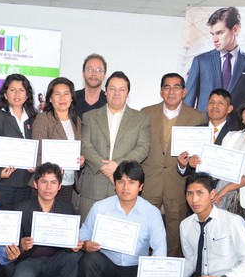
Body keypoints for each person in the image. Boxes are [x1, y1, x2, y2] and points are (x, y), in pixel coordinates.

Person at [78, 161, 167, 277]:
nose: (125, 187)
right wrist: (84, 245)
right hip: (108, 265)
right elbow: (83, 234)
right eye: (121, 182)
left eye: (132, 182)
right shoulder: (100, 207)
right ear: (115, 185)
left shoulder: (152, 213)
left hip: (135, 268)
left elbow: (160, 251)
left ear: (141, 187)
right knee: (89, 260)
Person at [140, 73, 206, 256]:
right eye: (166, 87)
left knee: (175, 234)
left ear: (184, 92)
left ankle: (170, 271)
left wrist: (187, 164)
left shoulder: (198, 117)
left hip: (177, 183)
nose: (171, 92)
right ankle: (140, 268)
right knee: (144, 230)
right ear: (161, 91)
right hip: (150, 182)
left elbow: (199, 155)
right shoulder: (145, 113)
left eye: (176, 87)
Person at [6, 163, 83, 277]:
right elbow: (11, 244)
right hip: (30, 261)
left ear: (59, 186)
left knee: (76, 255)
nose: (48, 187)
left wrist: (74, 245)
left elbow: (70, 241)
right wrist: (21, 246)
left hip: (55, 259)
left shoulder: (67, 208)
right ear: (35, 184)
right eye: (43, 182)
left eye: (53, 182)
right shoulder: (22, 208)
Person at [79, 71, 150, 220]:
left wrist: (117, 165)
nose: (117, 93)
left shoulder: (141, 119)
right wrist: (105, 167)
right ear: (105, 92)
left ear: (127, 93)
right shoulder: (89, 117)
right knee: (88, 231)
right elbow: (85, 145)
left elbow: (143, 148)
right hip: (93, 186)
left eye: (122, 89)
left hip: (125, 188)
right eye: (112, 89)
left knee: (119, 231)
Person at [184, 7, 245, 117]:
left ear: (235, 29)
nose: (215, 39)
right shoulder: (201, 61)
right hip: (205, 125)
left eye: (219, 33)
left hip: (236, 126)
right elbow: (187, 103)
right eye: (213, 34)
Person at [0, 74, 38, 210]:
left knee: (22, 220)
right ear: (5, 94)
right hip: (4, 182)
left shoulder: (34, 118)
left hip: (27, 183)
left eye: (21, 90)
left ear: (27, 95)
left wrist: (36, 165)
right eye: (12, 90)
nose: (17, 94)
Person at [32, 77, 84, 204]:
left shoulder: (76, 121)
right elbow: (37, 153)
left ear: (71, 98)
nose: (62, 98)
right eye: (57, 94)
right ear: (50, 98)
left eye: (66, 94)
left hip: (68, 183)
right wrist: (52, 170)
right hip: (47, 184)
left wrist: (81, 160)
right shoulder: (43, 118)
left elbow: (78, 149)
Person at [177, 88, 235, 175]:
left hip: (222, 183)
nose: (214, 106)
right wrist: (182, 166)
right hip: (196, 182)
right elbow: (187, 168)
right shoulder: (194, 132)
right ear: (207, 107)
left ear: (229, 109)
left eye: (220, 103)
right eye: (211, 102)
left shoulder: (236, 134)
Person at [75, 53, 107, 118]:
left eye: (99, 70)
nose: (94, 73)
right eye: (90, 69)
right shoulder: (71, 99)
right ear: (83, 73)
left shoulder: (109, 102)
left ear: (104, 75)